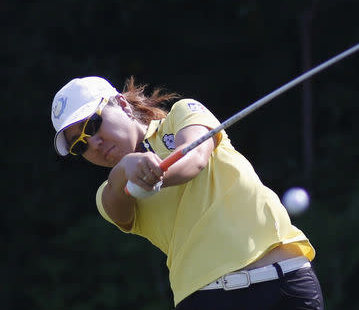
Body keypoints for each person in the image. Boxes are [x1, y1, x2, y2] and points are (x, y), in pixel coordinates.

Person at [51, 76, 324, 310]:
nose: (94, 143)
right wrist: (125, 170)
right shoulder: (109, 193)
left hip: (285, 282)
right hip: (207, 299)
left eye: (93, 125)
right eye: (80, 145)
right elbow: (117, 203)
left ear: (122, 104)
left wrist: (154, 176)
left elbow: (195, 159)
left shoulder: (182, 114)